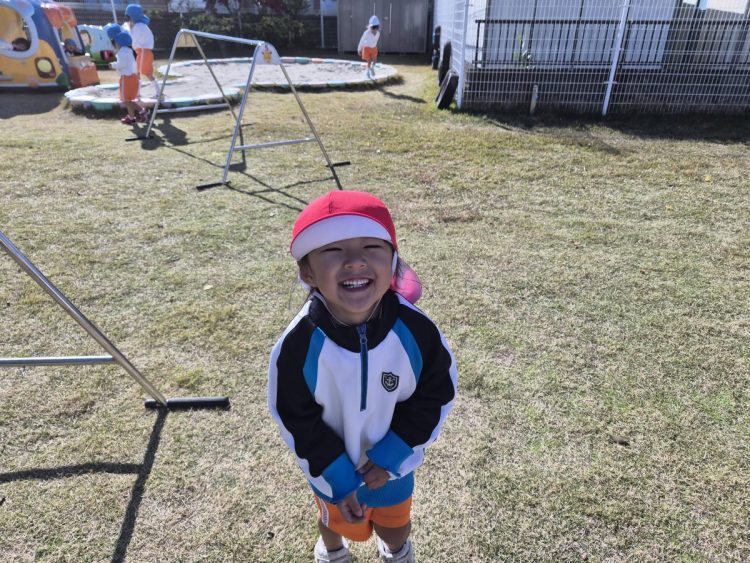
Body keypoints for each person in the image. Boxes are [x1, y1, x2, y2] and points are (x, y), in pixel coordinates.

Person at [268, 190, 457, 563]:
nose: (355, 261)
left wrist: (391, 455)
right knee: (332, 522)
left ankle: (396, 550)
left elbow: (436, 394)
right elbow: (295, 417)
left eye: (371, 246)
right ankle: (333, 551)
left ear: (393, 261)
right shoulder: (297, 345)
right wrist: (338, 476)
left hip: (393, 466)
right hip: (329, 470)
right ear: (308, 272)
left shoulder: (417, 332)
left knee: (396, 525)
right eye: (333, 250)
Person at [110, 31, 147, 124]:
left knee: (126, 100)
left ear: (119, 43)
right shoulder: (129, 51)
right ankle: (132, 116)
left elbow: (121, 64)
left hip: (127, 78)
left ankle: (141, 111)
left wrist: (112, 65)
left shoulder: (122, 52)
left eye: (115, 43)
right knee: (128, 100)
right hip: (132, 77)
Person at [123, 4, 159, 98]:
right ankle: (140, 93)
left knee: (144, 73)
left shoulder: (138, 27)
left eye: (128, 17)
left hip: (142, 52)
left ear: (132, 16)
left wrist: (128, 30)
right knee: (141, 72)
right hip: (143, 52)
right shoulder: (141, 26)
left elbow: (132, 40)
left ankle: (155, 92)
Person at [357, 15, 380, 80]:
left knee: (375, 60)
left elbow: (375, 41)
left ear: (377, 28)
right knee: (369, 61)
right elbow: (361, 40)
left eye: (376, 28)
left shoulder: (378, 33)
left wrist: (374, 47)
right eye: (373, 28)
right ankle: (367, 73)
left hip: (374, 48)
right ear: (370, 27)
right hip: (366, 48)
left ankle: (372, 68)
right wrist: (359, 49)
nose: (374, 30)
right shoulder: (366, 32)